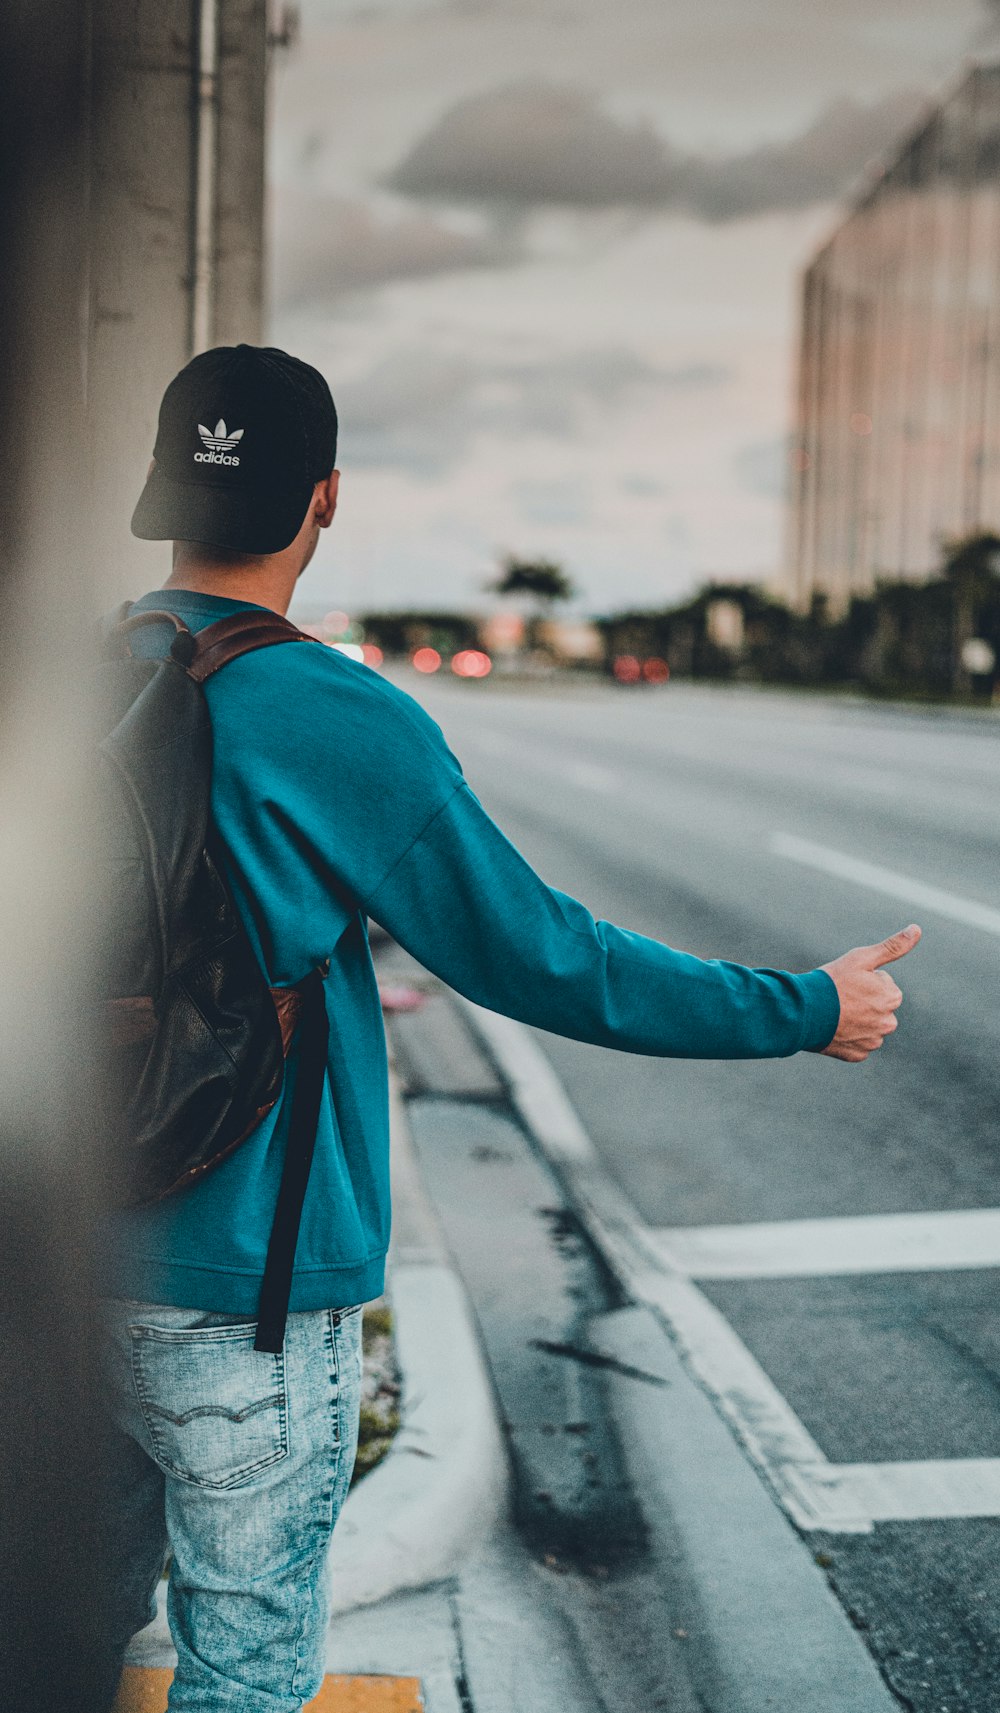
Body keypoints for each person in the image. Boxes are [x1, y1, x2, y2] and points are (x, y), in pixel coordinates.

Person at [100, 343, 920, 1713]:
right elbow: (551, 962)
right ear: (326, 498)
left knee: (53, 1641)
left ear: (159, 493)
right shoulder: (342, 718)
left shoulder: (63, 677)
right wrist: (808, 1007)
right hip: (250, 1291)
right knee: (240, 1668)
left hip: (56, 1263)